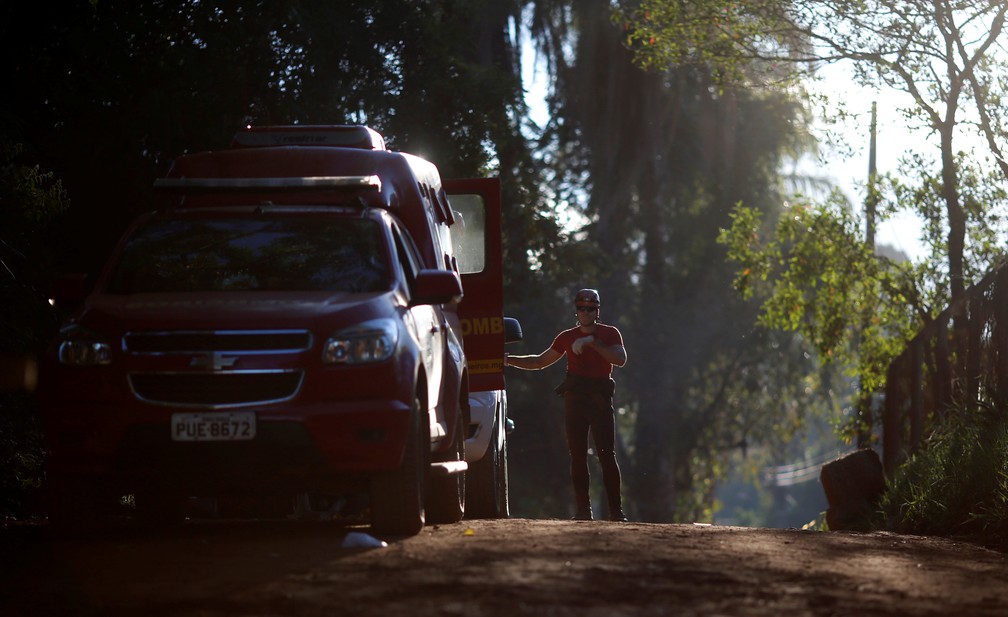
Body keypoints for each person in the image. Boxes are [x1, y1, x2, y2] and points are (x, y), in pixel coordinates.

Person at [503, 289, 628, 521]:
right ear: (576, 310)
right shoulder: (566, 337)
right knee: (577, 455)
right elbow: (540, 361)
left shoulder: (609, 334)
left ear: (597, 311)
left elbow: (619, 359)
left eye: (590, 308)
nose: (585, 313)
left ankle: (616, 511)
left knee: (606, 454)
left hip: (600, 400)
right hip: (575, 399)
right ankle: (583, 510)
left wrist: (593, 344)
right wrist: (508, 360)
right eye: (581, 308)